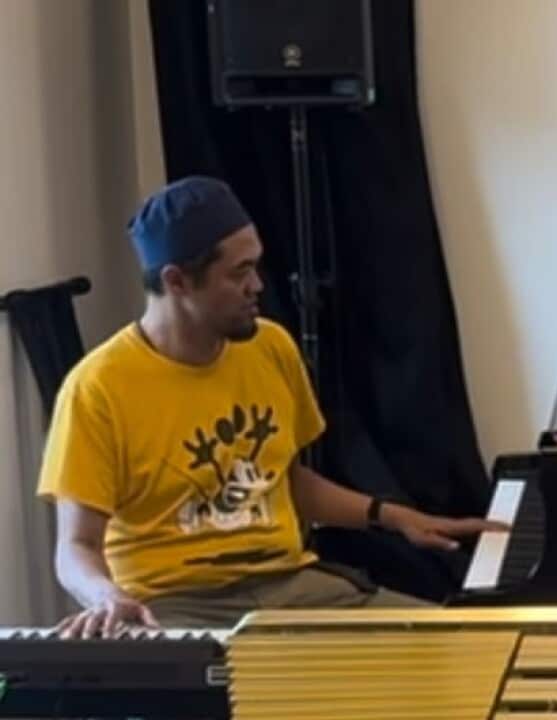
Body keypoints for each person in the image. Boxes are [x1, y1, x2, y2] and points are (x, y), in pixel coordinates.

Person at [39, 175, 504, 638]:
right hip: (175, 606)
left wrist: (394, 515)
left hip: (293, 587)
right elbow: (75, 546)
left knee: (462, 644)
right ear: (177, 281)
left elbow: (282, 477)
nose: (257, 285)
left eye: (256, 266)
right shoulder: (98, 388)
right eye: (239, 272)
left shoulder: (270, 347)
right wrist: (106, 596)